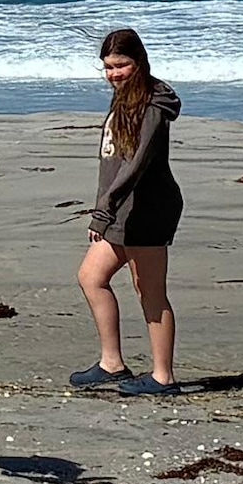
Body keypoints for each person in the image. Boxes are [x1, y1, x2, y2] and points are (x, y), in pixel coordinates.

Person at [71, 25, 183, 396]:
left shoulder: (151, 104)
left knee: (149, 291)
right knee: (91, 277)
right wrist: (108, 207)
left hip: (147, 210)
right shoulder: (125, 96)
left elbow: (136, 164)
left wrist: (103, 210)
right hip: (122, 210)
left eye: (121, 65)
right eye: (108, 67)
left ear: (139, 62)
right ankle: (112, 364)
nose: (114, 73)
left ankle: (163, 377)